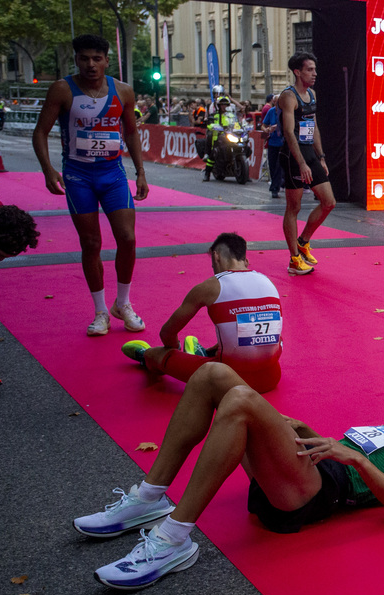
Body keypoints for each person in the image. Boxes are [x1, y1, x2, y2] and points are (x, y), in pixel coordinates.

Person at [75, 361, 384, 590]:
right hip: (311, 463)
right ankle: (150, 497)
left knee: (243, 399)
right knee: (212, 375)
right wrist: (307, 432)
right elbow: (345, 448)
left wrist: (357, 462)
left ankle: (173, 539)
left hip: (319, 491)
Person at [32, 34, 149, 337]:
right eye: (84, 58)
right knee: (92, 244)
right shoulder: (62, 89)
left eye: (97, 58)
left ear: (107, 60)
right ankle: (100, 312)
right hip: (78, 176)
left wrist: (140, 171)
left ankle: (122, 304)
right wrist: (48, 170)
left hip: (112, 174)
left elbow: (132, 133)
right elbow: (41, 132)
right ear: (76, 60)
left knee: (128, 238)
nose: (90, 64)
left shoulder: (122, 91)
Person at [119, 232, 285, 393]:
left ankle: (147, 357)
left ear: (216, 256)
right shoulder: (269, 283)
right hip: (270, 378)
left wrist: (172, 351)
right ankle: (205, 353)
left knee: (157, 355)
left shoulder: (210, 286)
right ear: (246, 261)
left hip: (227, 383)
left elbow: (167, 333)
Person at [278, 52, 336, 277]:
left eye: (315, 69)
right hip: (293, 156)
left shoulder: (311, 94)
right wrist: (301, 163)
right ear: (297, 72)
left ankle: (303, 241)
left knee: (329, 202)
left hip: (309, 152)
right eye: (309, 70)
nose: (314, 74)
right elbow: (288, 132)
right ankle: (294, 259)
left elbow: (313, 127)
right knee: (294, 208)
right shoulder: (288, 97)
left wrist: (320, 157)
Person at [203, 96, 239, 182]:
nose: (223, 106)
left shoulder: (231, 115)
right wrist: (215, 127)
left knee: (242, 146)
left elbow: (236, 123)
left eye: (225, 105)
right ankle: (207, 173)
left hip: (230, 136)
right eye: (222, 105)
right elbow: (209, 124)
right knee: (214, 153)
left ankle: (244, 172)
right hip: (218, 137)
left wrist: (240, 127)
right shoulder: (214, 115)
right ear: (218, 106)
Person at [260, 95, 285, 199]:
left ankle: (275, 188)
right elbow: (263, 125)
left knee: (279, 167)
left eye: (278, 102)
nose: (276, 104)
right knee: (272, 165)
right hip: (272, 143)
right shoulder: (271, 112)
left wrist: (279, 127)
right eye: (274, 102)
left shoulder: (285, 112)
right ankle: (277, 185)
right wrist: (266, 130)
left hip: (283, 143)